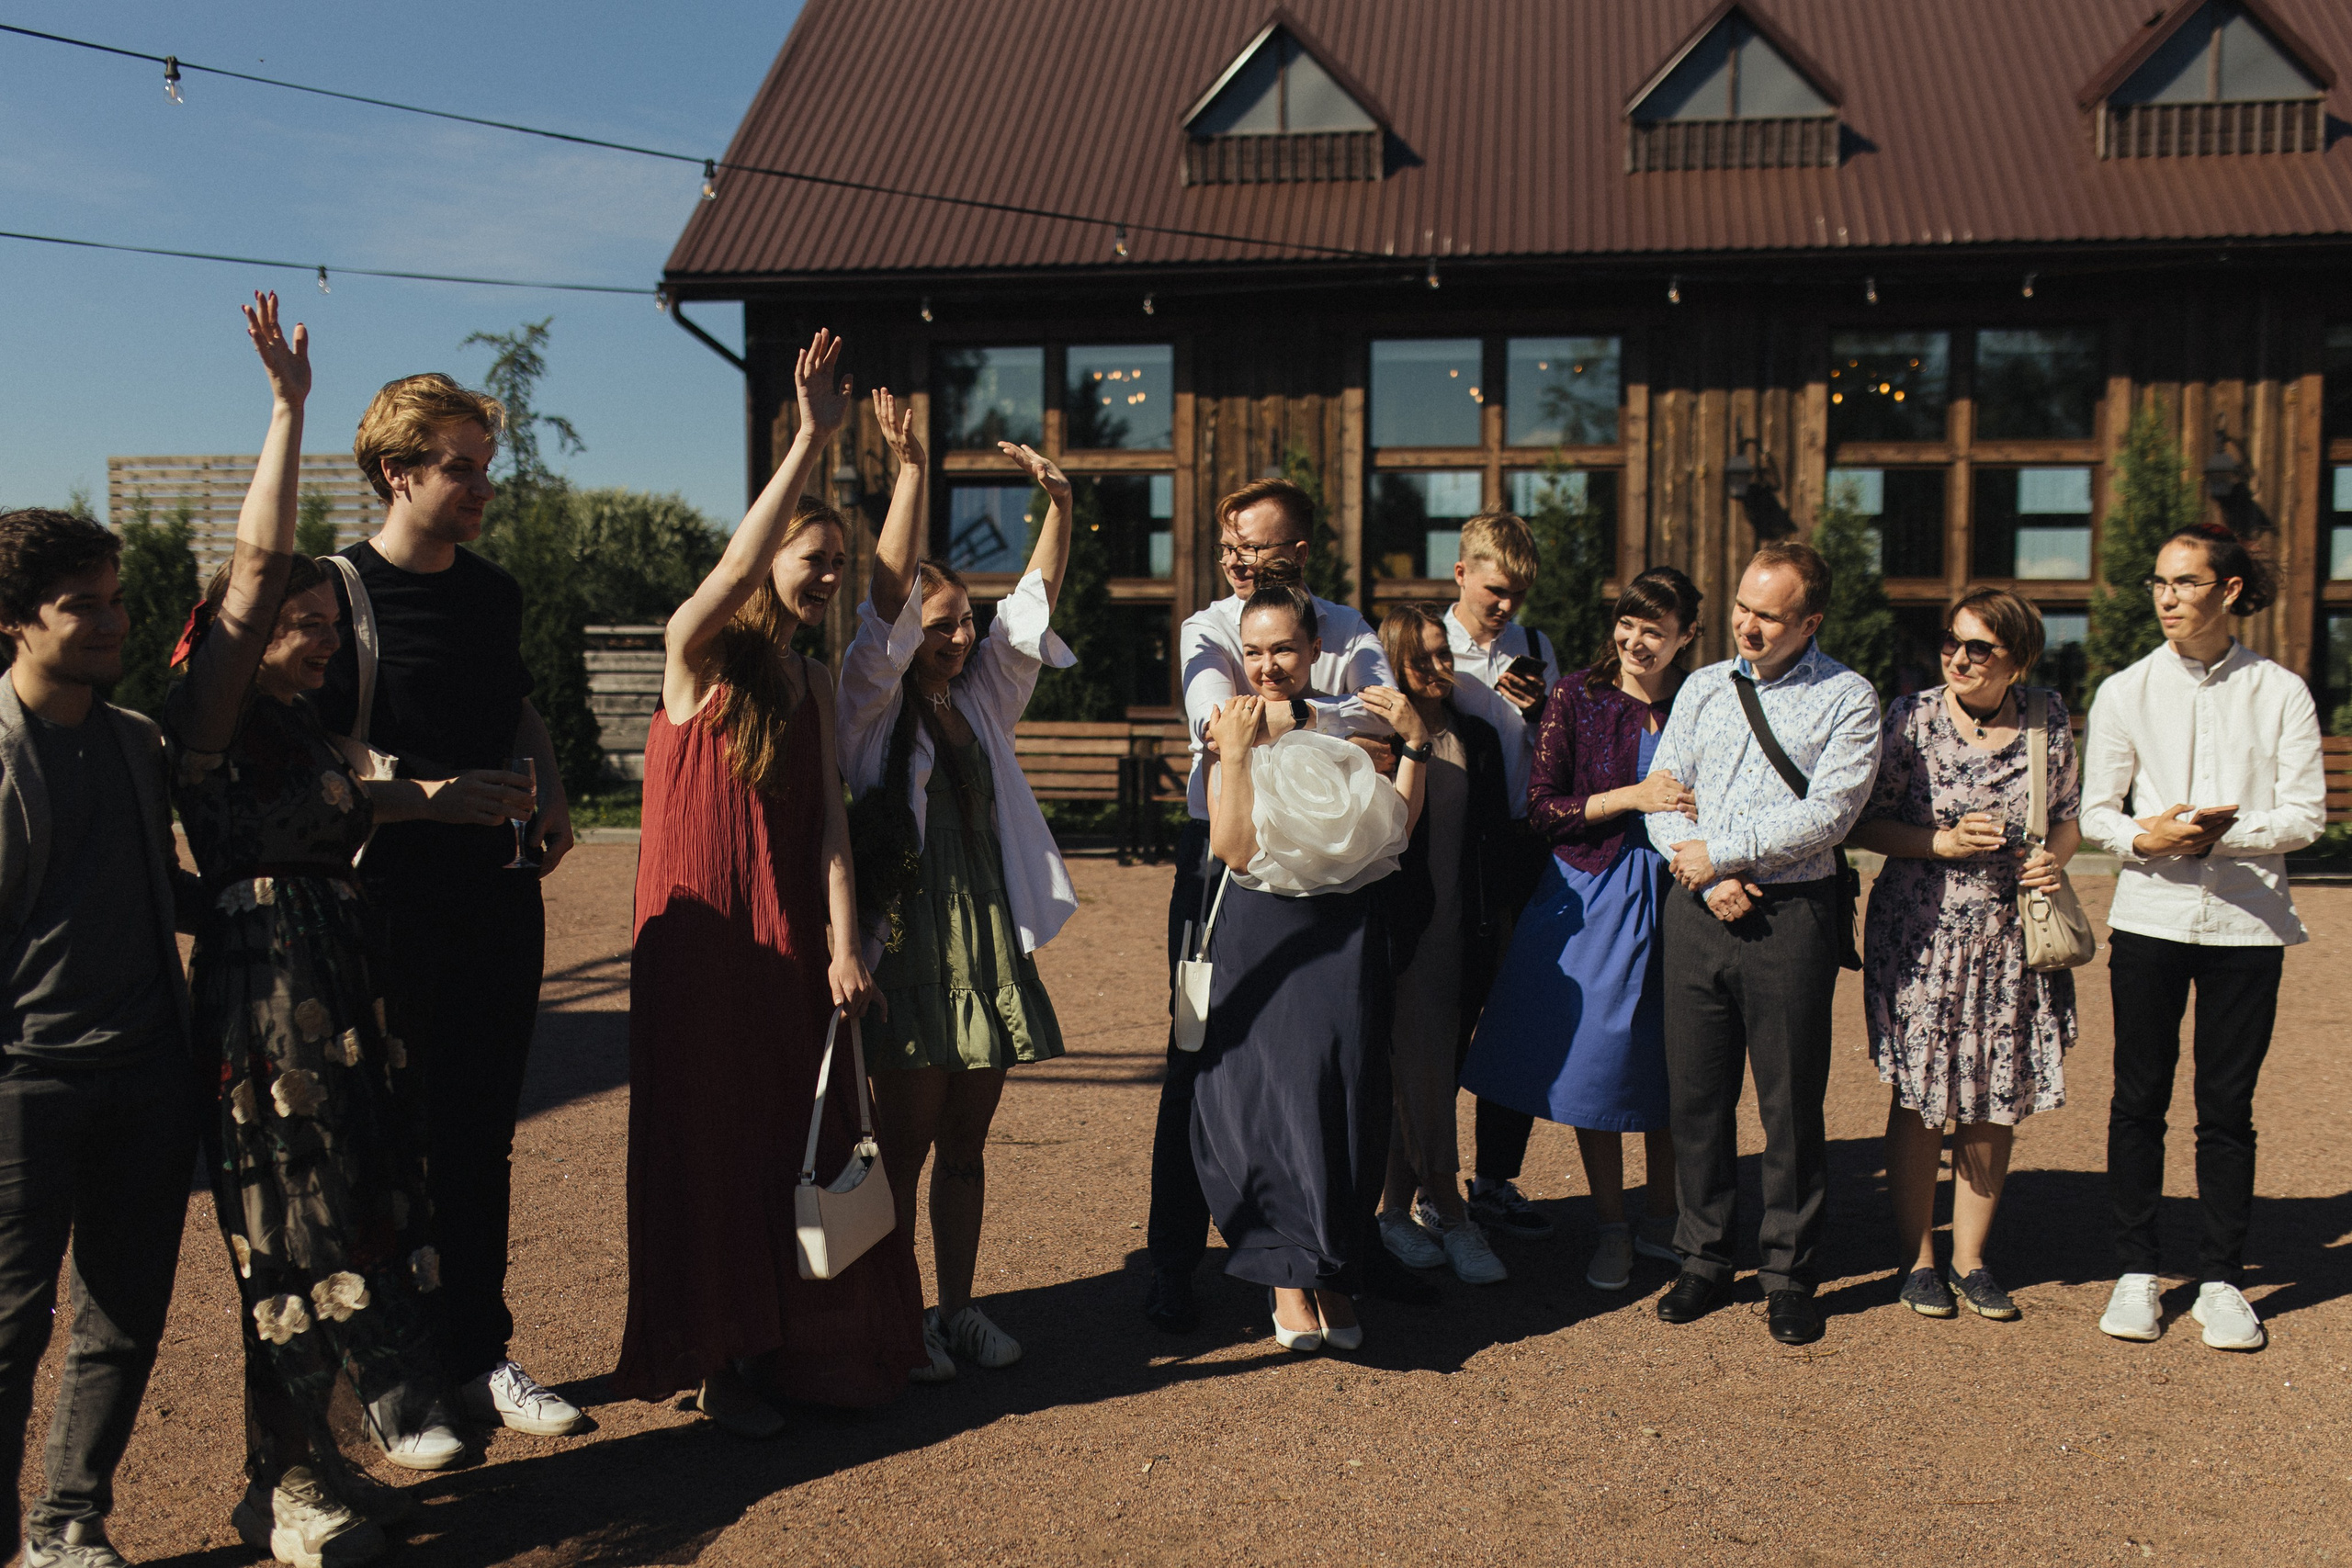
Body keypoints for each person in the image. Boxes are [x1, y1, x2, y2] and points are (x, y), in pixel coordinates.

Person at [169, 295, 516, 1565]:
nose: (323, 640)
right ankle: (282, 1488)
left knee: (351, 1228)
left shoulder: (308, 730)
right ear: (244, 632)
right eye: (301, 625)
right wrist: (289, 410)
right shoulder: (213, 720)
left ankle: (314, 1463)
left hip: (342, 997)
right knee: (288, 1249)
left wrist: (444, 794)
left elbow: (370, 797)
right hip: (268, 1015)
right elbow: (257, 566)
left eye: (331, 623)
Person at [614, 335, 921, 1433]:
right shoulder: (694, 654)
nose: (828, 576)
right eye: (813, 558)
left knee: (789, 1136)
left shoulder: (811, 678)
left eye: (838, 561)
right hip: (703, 946)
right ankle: (716, 1363)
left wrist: (842, 949)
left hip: (787, 937)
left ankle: (794, 1344)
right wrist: (810, 443)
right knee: (710, 1139)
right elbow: (737, 574)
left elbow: (831, 828)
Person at [315, 370, 584, 1439]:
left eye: (485, 467)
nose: (481, 488)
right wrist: (422, 798)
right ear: (397, 472)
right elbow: (299, 762)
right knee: (387, 1146)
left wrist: (550, 789)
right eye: (459, 468)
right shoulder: (335, 595)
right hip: (384, 900)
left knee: (479, 1139)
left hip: (495, 897)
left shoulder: (491, 592)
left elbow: (516, 707)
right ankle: (394, 1379)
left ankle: (478, 1357)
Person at [839, 399, 1078, 1382]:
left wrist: (1059, 506)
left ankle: (959, 1307)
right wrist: (910, 475)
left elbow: (1031, 608)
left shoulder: (980, 699)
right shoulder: (869, 703)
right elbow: (885, 606)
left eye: (964, 620)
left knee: (967, 1145)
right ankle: (898, 1321)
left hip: (983, 938)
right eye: (940, 624)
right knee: (902, 1148)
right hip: (908, 940)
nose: (959, 635)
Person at [1145, 479, 1399, 1334]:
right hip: (1224, 854)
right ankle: (1173, 1259)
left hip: (1336, 863)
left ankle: (1337, 1249)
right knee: (1200, 1044)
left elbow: (1386, 725)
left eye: (1253, 546)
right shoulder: (1207, 627)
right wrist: (1327, 718)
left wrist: (1291, 718)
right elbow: (1221, 725)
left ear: (1298, 550)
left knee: (1337, 1053)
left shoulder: (1349, 624)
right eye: (1229, 546)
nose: (1237, 560)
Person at [0, 504, 198, 1568]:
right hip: (24, 1082)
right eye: (85, 605)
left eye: (117, 600)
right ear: (15, 620)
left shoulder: (136, 742)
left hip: (148, 1070)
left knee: (123, 1315)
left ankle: (68, 1522)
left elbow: (163, 884)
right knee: (9, 1328)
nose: (114, 621)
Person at [2082, 525, 2324, 1353]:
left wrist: (2222, 833)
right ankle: (2136, 1270)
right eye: (2160, 582)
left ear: (2229, 590)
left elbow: (2306, 815)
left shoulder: (2281, 691)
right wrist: (2144, 838)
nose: (2168, 597)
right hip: (2150, 917)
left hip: (2248, 926)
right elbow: (2096, 812)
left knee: (2227, 1110)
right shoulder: (2125, 690)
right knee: (2137, 1099)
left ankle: (2222, 1278)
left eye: (2185, 582)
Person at [1644, 542, 1881, 1347]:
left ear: (1810, 621)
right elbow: (1664, 795)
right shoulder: (1704, 686)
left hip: (1792, 916)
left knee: (1789, 1103)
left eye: (1769, 616)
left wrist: (1725, 851)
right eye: (1743, 606)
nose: (1747, 624)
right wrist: (1705, 876)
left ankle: (1789, 1272)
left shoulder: (1848, 697)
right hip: (1697, 905)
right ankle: (1704, 1257)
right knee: (1696, 1097)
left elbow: (1831, 814)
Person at [1194, 559, 1425, 1353]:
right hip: (1263, 927)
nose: (1267, 665)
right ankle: (1287, 1271)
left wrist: (1416, 744)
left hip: (1345, 930)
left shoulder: (1347, 722)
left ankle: (1334, 1263)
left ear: (1315, 648)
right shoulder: (1229, 725)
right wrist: (1232, 756)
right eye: (1254, 651)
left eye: (1284, 649)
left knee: (1345, 1086)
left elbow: (1396, 831)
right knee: (1274, 1094)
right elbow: (1232, 848)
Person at [1465, 567, 1702, 1294]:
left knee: (1675, 1062)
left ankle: (1662, 1218)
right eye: (1628, 622)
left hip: (1687, 888)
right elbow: (1544, 807)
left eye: (1655, 629)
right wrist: (1633, 795)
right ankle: (1612, 1226)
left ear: (1687, 636)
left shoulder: (1706, 699)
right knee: (1597, 1063)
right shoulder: (1578, 695)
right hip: (1595, 889)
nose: (1635, 640)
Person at [1848, 589, 2080, 1324]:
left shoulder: (2047, 717)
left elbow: (2068, 818)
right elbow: (1865, 823)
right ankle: (1918, 1258)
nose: (1958, 656)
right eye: (1951, 640)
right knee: (1922, 1097)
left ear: (2018, 659)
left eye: (1980, 647)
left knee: (1992, 1093)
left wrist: (2053, 859)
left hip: (2010, 938)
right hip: (1921, 935)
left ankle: (1971, 1259)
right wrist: (1939, 842)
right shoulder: (1910, 717)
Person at [1371, 604, 1513, 1288]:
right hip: (1401, 934)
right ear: (1393, 664)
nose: (1437, 668)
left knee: (1426, 1070)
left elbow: (1495, 841)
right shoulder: (1376, 740)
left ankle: (1395, 1211)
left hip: (1462, 932)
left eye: (1443, 654)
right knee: (1420, 1068)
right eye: (1420, 658)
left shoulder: (1475, 737)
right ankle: (1451, 1212)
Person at [1439, 513, 1563, 1241]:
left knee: (1516, 1018)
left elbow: (1562, 752)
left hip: (1521, 849)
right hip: (1450, 850)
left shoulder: (1537, 647)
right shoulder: (1426, 644)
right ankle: (1427, 1180)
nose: (1507, 606)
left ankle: (1494, 1180)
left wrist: (1544, 713)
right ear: (1461, 574)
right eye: (1495, 590)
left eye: (1518, 594)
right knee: (1443, 1020)